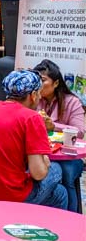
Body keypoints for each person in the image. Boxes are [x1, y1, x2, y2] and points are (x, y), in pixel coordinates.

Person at [0, 70, 68, 210]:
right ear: (33, 96)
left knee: (54, 190)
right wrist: (45, 161)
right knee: (58, 181)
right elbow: (38, 173)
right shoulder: (31, 118)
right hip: (12, 197)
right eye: (38, 94)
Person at [34, 59, 85, 212]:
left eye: (43, 80)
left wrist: (54, 126)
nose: (38, 85)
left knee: (67, 173)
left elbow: (80, 131)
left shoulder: (72, 102)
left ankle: (72, 219)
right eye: (36, 80)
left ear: (56, 83)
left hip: (69, 155)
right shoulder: (34, 98)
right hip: (43, 152)